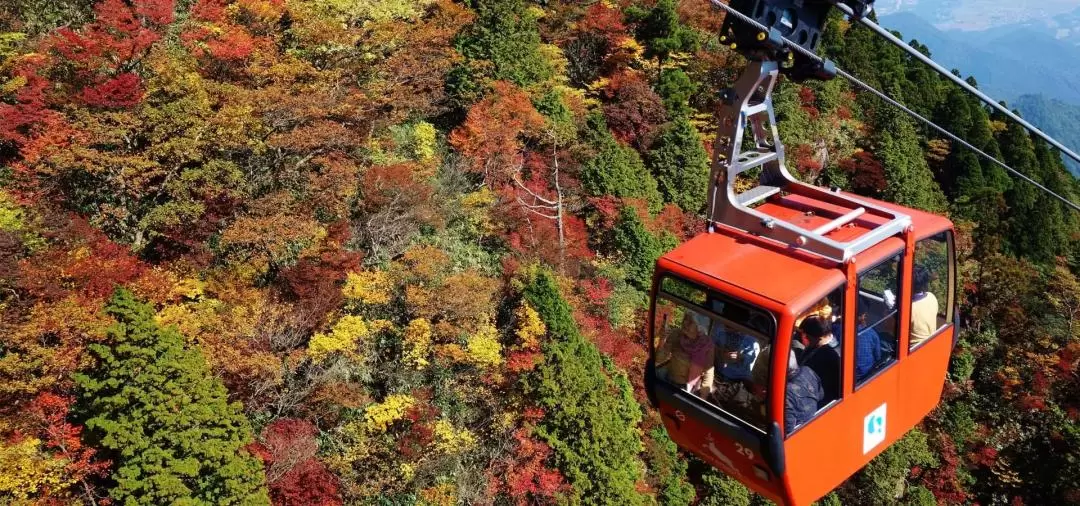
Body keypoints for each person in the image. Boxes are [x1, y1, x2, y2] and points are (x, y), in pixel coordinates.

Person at [665, 312, 715, 396]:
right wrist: (663, 340)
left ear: (700, 327)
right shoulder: (676, 334)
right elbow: (659, 359)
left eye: (690, 321)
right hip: (669, 384)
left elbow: (708, 372)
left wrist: (702, 399)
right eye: (685, 319)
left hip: (690, 390)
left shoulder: (707, 345)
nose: (685, 322)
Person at [799, 316, 841, 406]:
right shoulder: (817, 347)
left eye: (807, 336)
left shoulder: (829, 355)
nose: (805, 338)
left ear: (819, 338)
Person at [784, 349, 824, 435]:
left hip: (801, 431)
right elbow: (821, 395)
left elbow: (788, 429)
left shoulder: (786, 393)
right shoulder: (807, 370)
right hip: (815, 418)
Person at [909, 265, 938, 348]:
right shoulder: (931, 297)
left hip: (912, 348)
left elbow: (892, 329)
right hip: (930, 343)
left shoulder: (910, 308)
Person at [854, 313, 882, 382]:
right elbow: (878, 356)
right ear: (864, 317)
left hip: (851, 372)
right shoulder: (873, 333)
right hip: (867, 371)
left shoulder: (843, 331)